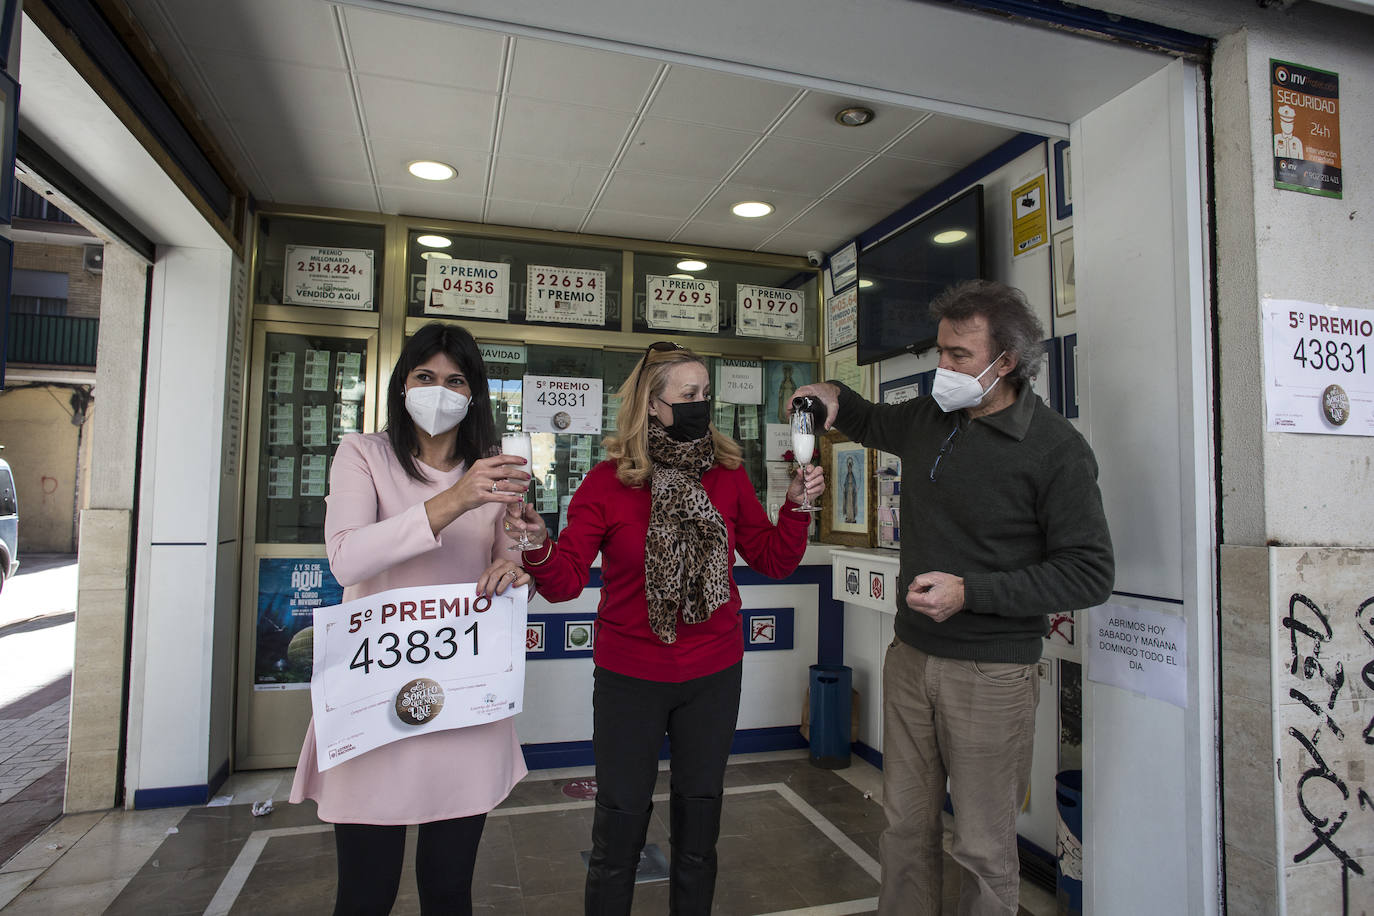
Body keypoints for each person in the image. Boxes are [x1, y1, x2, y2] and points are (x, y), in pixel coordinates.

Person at [793, 280, 1114, 916]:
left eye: (960, 356)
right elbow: (865, 417)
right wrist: (828, 395)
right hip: (910, 656)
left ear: (1007, 362)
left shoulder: (1055, 450)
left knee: (982, 845)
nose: (944, 368)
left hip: (993, 672)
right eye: (940, 352)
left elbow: (1089, 573)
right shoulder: (928, 419)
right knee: (904, 828)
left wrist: (972, 593)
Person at [505, 341, 825, 915]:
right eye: (689, 395)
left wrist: (796, 508)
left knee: (699, 832)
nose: (702, 404)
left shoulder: (728, 477)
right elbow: (565, 582)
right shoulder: (606, 483)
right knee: (619, 832)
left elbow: (773, 559)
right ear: (653, 405)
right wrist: (535, 543)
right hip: (631, 678)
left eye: (706, 394)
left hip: (714, 673)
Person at [289, 322, 533, 916]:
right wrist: (458, 498)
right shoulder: (362, 455)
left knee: (450, 889)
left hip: (463, 699)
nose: (439, 391)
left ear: (474, 393)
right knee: (365, 892)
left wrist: (517, 562)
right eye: (425, 377)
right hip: (376, 698)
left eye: (455, 380)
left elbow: (508, 561)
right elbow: (347, 559)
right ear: (402, 385)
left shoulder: (495, 471)